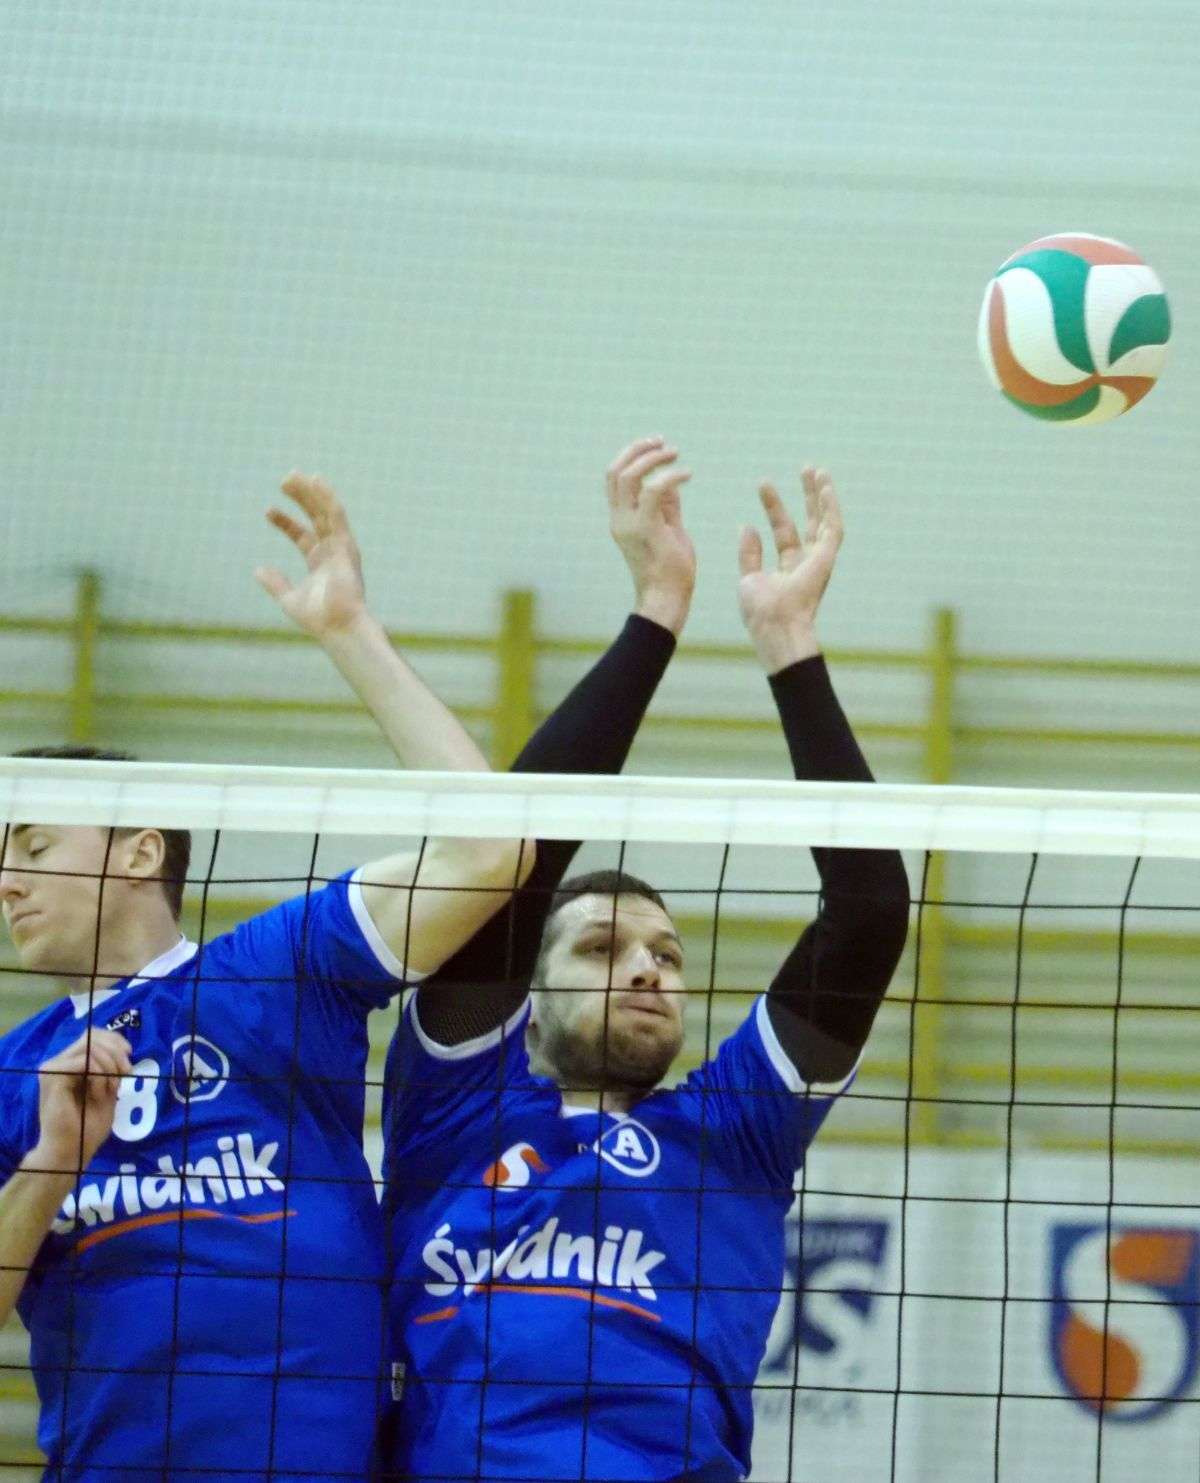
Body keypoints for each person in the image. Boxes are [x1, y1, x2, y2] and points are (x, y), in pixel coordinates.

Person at [380, 440, 911, 1482]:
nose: (646, 969)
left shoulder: (734, 1133)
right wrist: (656, 612)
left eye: (667, 954)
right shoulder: (452, 1105)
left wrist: (790, 646)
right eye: (602, 946)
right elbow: (515, 858)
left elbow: (868, 911)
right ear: (528, 1003)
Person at [0, 473, 532, 1483]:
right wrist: (50, 1165)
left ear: (139, 851)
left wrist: (350, 633)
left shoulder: (276, 969)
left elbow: (490, 850)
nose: (7, 882)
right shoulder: (16, 1070)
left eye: (32, 844)